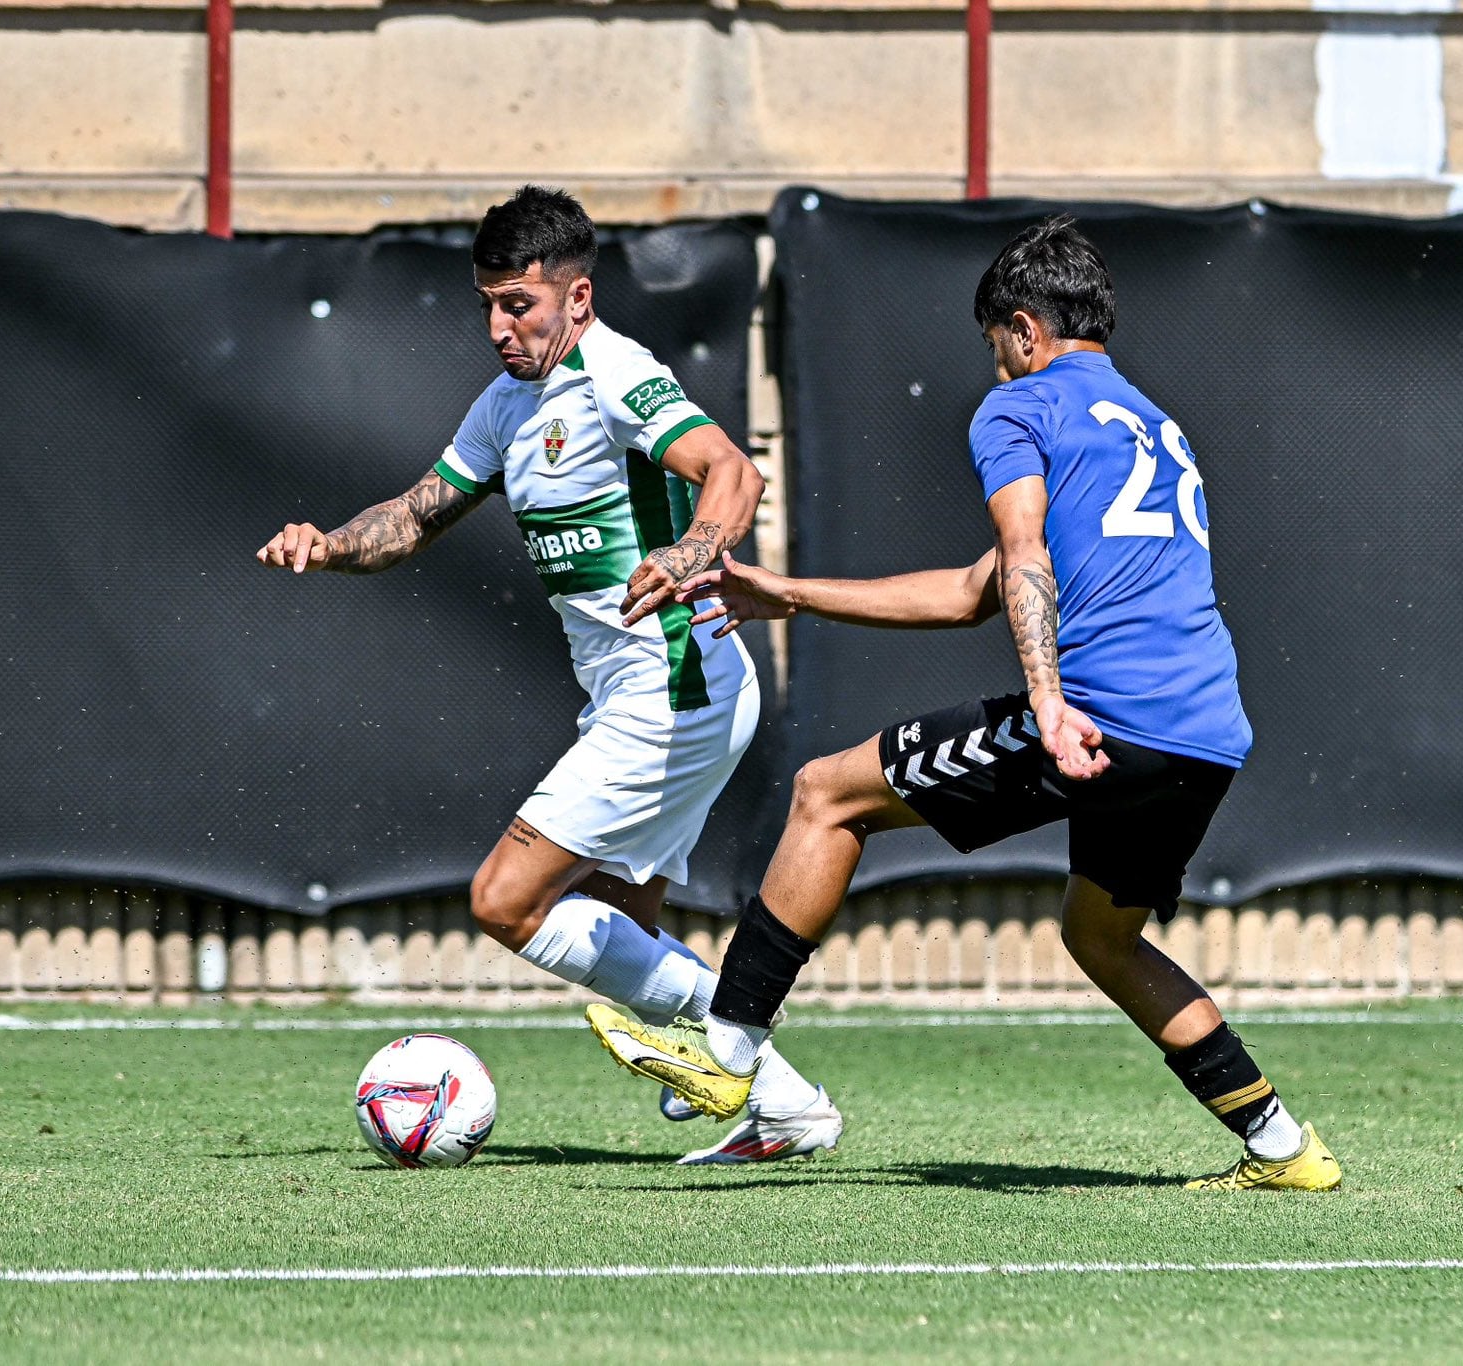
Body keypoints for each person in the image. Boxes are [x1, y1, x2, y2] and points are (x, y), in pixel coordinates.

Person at [587, 216, 1341, 1191]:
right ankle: (1281, 1146)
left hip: (1099, 717)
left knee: (826, 793)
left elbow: (1024, 556)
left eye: (995, 351)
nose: (994, 373)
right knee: (1100, 934)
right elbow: (968, 588)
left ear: (1024, 331)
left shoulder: (1018, 409)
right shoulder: (1150, 422)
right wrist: (785, 591)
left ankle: (727, 1054)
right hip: (1204, 736)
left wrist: (1048, 701)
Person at [257, 186, 840, 1164]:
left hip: (675, 687)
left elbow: (731, 471)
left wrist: (693, 551)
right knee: (619, 933)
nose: (497, 325)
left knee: (502, 900)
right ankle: (775, 1099)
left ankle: (746, 1051)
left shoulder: (615, 375)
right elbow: (411, 516)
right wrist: (326, 545)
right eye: (486, 302)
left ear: (576, 297)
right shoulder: (503, 405)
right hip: (642, 692)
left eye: (516, 304)